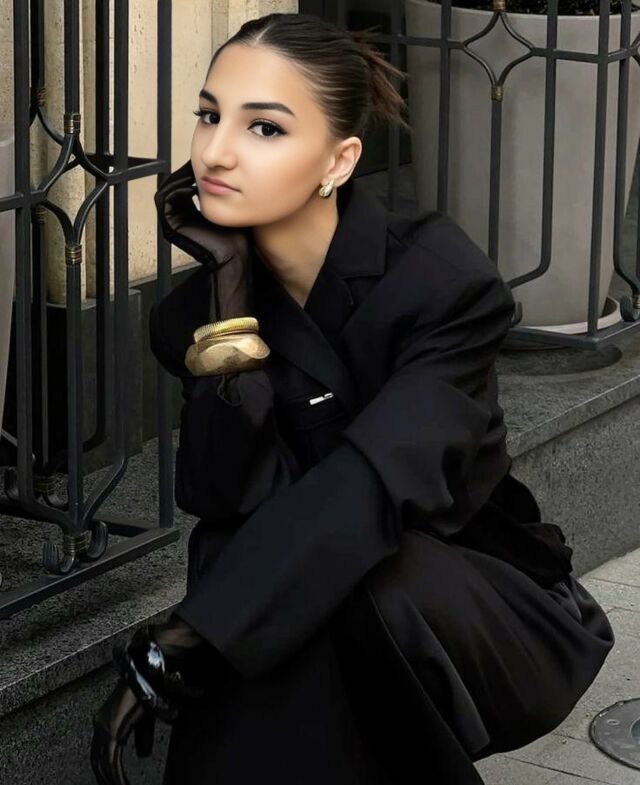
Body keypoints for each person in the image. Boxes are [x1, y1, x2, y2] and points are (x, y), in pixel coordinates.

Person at [90, 12, 615, 785]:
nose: (216, 151)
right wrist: (230, 290)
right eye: (208, 115)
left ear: (339, 162)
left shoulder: (441, 284)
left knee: (341, 571)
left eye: (264, 128)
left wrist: (193, 635)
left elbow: (373, 485)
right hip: (326, 601)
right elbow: (227, 496)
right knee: (274, 570)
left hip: (481, 613)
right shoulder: (192, 320)